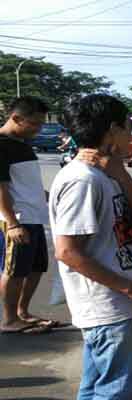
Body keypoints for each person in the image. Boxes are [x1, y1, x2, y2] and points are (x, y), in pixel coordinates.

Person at [49, 94, 132, 399]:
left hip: (115, 306)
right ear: (113, 130)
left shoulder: (106, 175)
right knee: (118, 391)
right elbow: (67, 252)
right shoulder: (83, 180)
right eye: (129, 127)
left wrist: (122, 175)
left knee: (99, 390)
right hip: (105, 306)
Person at [0, 96, 55, 334]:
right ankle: (9, 319)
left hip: (35, 218)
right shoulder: (1, 144)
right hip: (17, 219)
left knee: (36, 268)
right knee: (14, 270)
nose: (38, 129)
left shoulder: (22, 143)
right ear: (16, 118)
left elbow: (26, 184)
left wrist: (52, 196)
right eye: (34, 123)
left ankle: (23, 312)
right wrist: (12, 222)